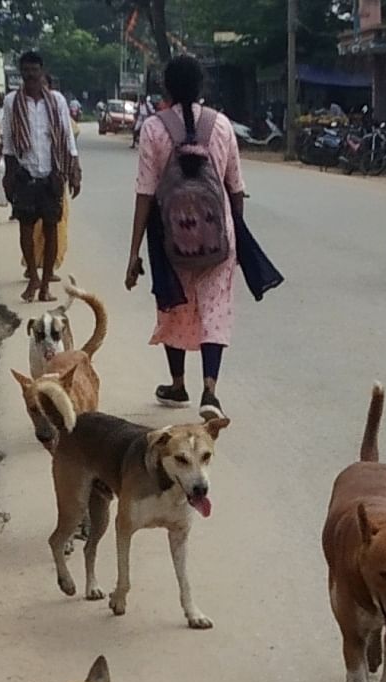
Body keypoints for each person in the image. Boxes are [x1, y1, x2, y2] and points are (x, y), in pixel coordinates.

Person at [127, 54, 245, 414]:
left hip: (170, 235)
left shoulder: (153, 128)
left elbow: (145, 192)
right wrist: (233, 238)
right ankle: (210, 389)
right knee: (215, 308)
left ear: (167, 88)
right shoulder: (222, 125)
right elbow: (236, 187)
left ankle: (178, 385)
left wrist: (134, 253)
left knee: (174, 301)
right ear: (201, 86)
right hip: (217, 234)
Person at [0, 50, 82, 303]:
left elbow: (67, 137)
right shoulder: (12, 102)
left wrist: (74, 171)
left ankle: (46, 284)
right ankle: (32, 277)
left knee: (51, 229)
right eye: (26, 70)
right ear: (21, 73)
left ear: (42, 72)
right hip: (25, 174)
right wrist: (8, 175)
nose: (30, 74)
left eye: (34, 70)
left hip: (51, 174)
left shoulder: (56, 101)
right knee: (25, 229)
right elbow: (9, 141)